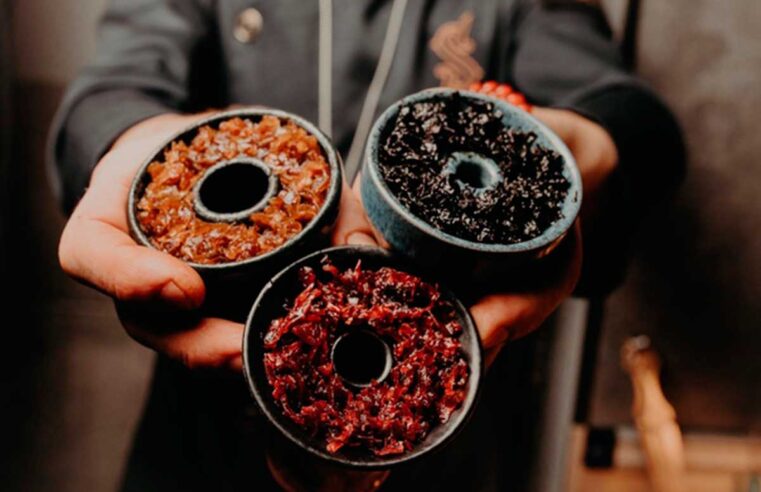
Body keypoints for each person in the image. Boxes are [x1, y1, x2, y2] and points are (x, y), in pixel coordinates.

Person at [50, 0, 684, 490]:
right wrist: (138, 142)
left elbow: (640, 125)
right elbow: (111, 91)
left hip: (434, 417)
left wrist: (560, 159)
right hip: (206, 435)